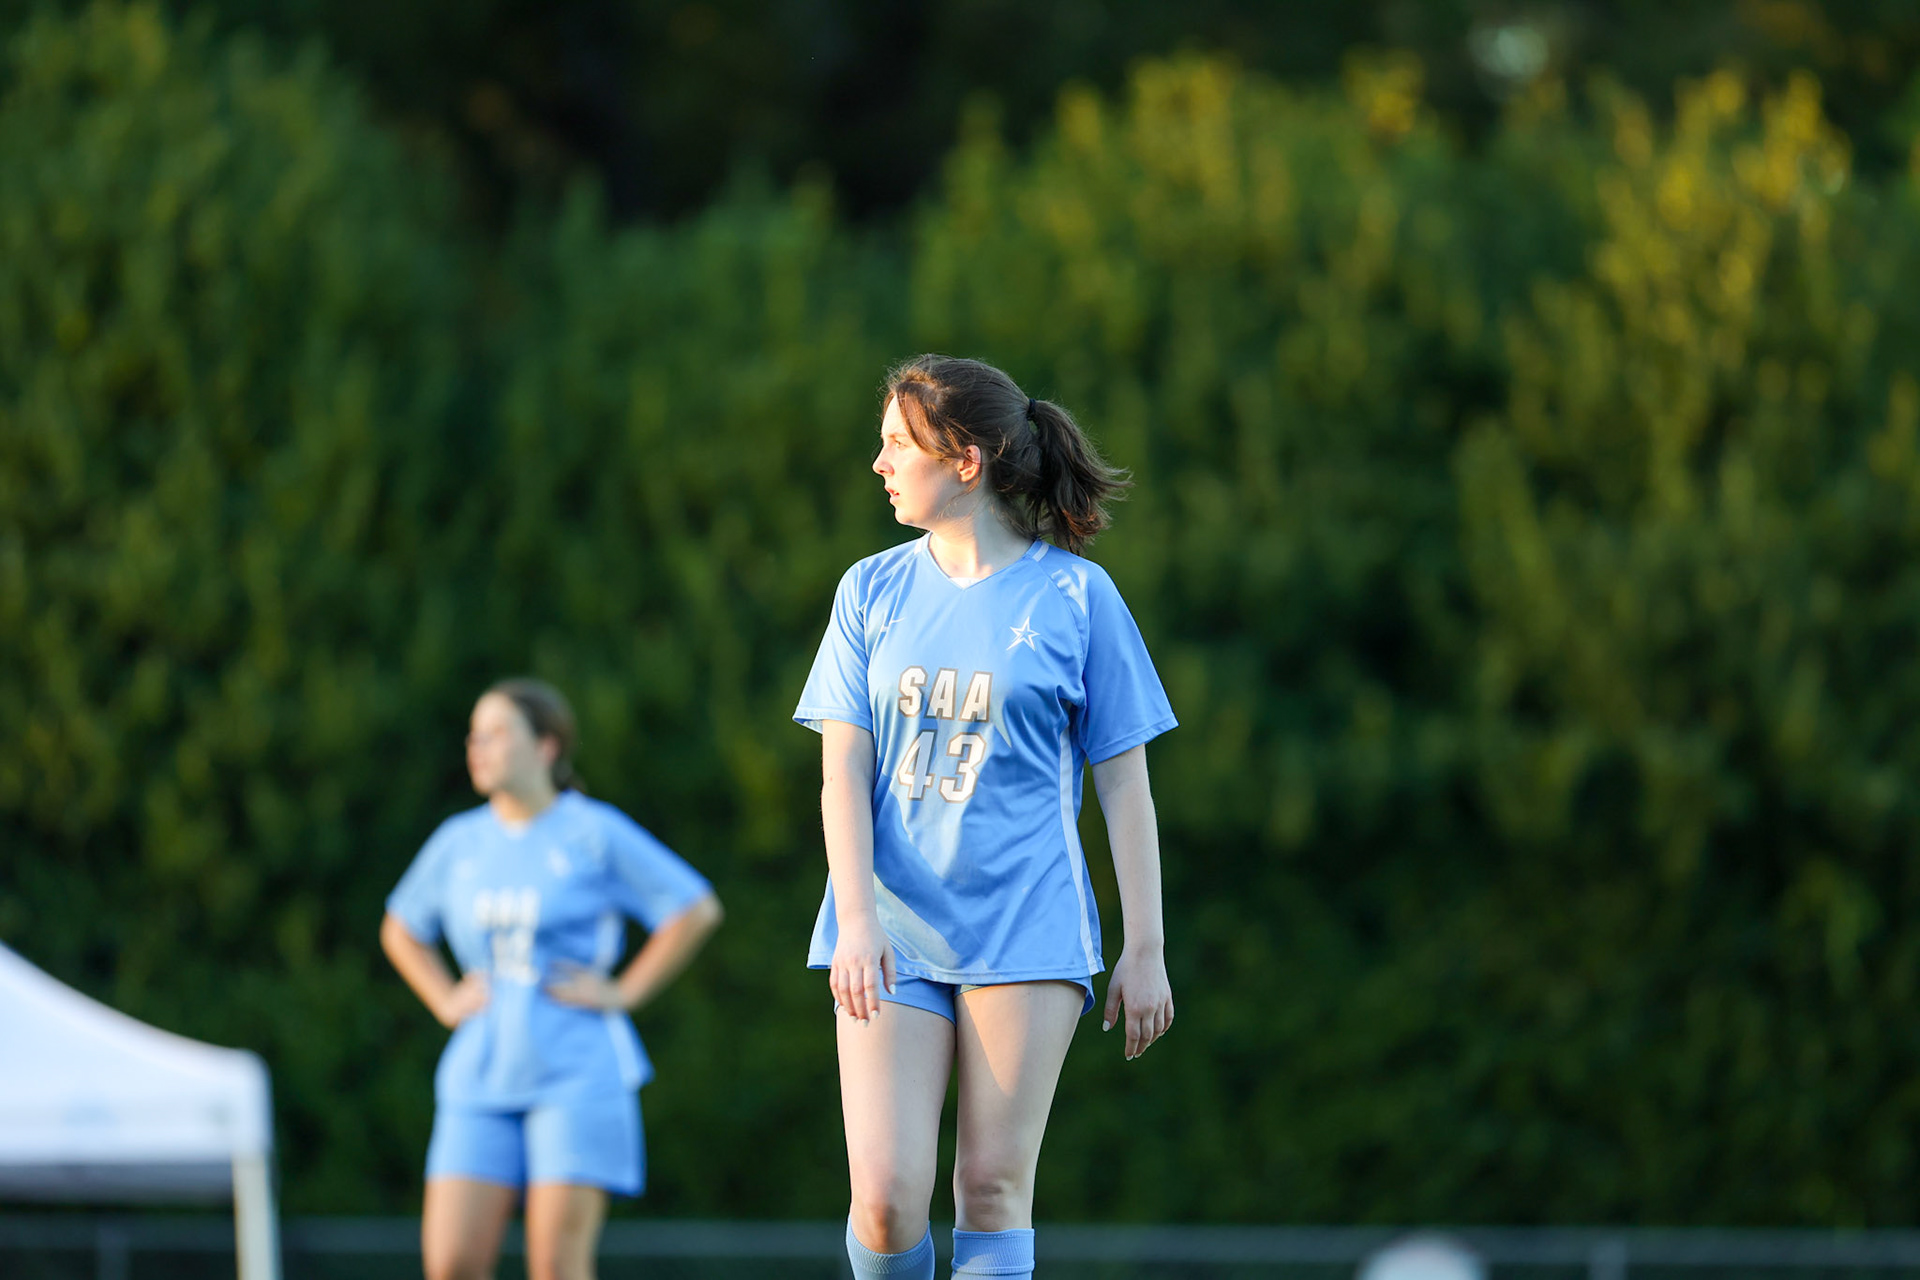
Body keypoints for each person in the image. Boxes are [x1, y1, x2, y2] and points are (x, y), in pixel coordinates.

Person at [794, 355, 1178, 1280]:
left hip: (1029, 926)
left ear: (964, 458)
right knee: (884, 1198)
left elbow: (1126, 785)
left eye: (897, 444)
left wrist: (1146, 946)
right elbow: (841, 769)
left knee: (992, 1191)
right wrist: (853, 921)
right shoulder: (869, 590)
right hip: (888, 928)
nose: (879, 464)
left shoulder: (1078, 597)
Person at [381, 678, 723, 1280]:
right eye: (472, 736)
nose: (477, 748)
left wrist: (624, 992)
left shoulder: (594, 832)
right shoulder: (459, 841)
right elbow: (400, 927)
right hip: (478, 1078)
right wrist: (442, 998)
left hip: (577, 1074)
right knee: (452, 1264)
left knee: (557, 1268)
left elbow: (693, 909)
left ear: (546, 747)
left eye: (495, 733)